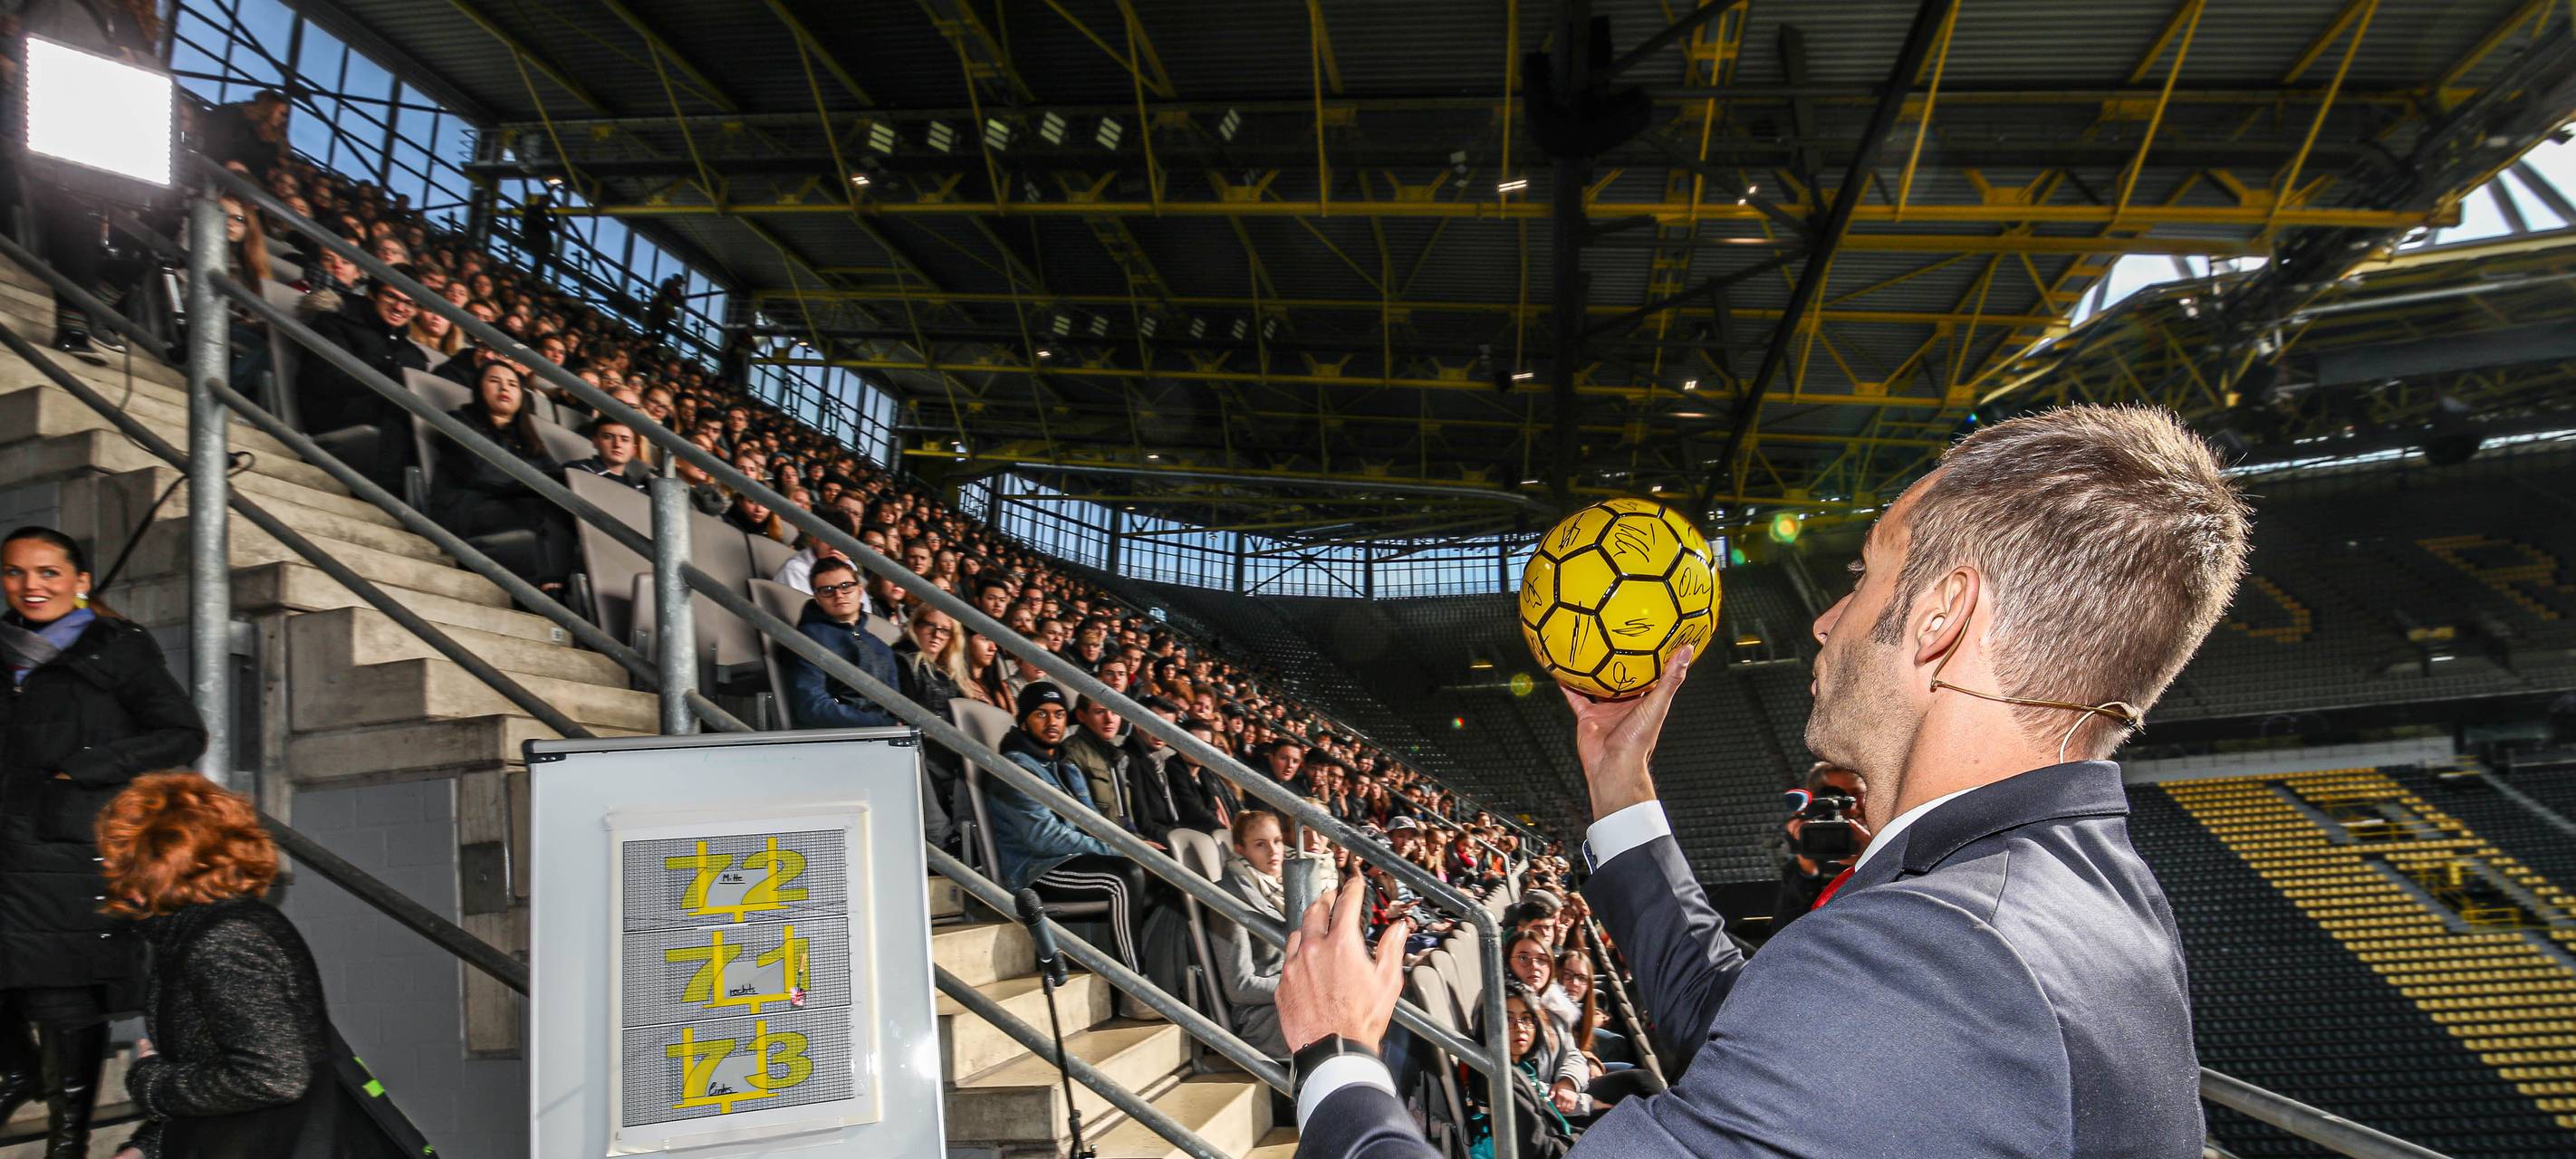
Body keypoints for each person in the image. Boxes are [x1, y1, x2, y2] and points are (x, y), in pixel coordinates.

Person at [1277, 405, 2248, 1159]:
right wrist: (1621, 787)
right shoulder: (2092, 899)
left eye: (1865, 574)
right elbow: (1751, 1035)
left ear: (1942, 614)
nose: (1827, 619)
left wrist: (1338, 1061)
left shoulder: (1946, 960)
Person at [0, 527, 207, 1157]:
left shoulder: (117, 647)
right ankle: (18, 1070)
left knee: (64, 993)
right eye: (15, 572)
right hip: (6, 841)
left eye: (48, 572)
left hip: (69, 848)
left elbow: (182, 733)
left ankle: (67, 1143)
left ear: (81, 581)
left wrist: (86, 767)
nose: (30, 585)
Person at [99, 772, 405, 1158]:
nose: (109, 869)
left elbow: (276, 1077)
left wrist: (154, 1084)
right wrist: (148, 1147)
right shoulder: (202, 930)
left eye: (120, 857)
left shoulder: (224, 940)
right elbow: (220, 1068)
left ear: (159, 864)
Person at [988, 684, 1157, 993]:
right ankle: (1136, 987)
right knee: (1123, 877)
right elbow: (1043, 838)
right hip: (1036, 870)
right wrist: (1119, 852)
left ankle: (1171, 980)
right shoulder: (1014, 767)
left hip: (1073, 862)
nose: (1052, 722)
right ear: (1023, 722)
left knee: (1164, 873)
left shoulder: (1066, 767)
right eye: (1041, 714)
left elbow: (1093, 824)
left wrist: (1134, 846)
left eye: (1058, 714)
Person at [428, 362, 575, 590]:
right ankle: (549, 588)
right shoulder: (459, 421)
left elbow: (555, 474)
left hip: (514, 510)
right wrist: (537, 484)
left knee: (566, 510)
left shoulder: (527, 438)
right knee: (545, 508)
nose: (504, 388)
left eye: (513, 384)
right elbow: (482, 473)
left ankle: (552, 587)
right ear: (479, 388)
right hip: (466, 509)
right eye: (494, 381)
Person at [296, 272, 428, 491]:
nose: (399, 307)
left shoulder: (413, 355)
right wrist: (389, 380)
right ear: (372, 294)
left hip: (383, 419)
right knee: (402, 409)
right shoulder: (336, 322)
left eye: (409, 303)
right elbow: (327, 381)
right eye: (391, 296)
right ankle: (387, 491)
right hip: (329, 410)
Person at [783, 558, 902, 730]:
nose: (839, 595)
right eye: (827, 590)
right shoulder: (807, 639)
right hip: (841, 736)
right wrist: (881, 724)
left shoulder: (881, 647)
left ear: (860, 590)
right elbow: (811, 707)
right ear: (817, 598)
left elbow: (896, 706)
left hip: (885, 732)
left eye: (846, 586)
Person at [1215, 811, 1294, 1057]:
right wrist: (1302, 986)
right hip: (1266, 1015)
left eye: (1277, 841)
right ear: (1240, 849)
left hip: (1297, 1001)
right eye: (1260, 844)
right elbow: (1239, 986)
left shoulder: (1283, 886)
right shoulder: (1229, 898)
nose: (1273, 851)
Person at [1769, 763, 1873, 932]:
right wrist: (1806, 870)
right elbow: (1785, 933)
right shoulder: (1801, 867)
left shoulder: (1895, 845)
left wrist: (1874, 856)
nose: (1851, 807)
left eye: (1856, 794)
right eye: (1835, 797)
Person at [1062, 694, 1130, 829]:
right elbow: (1084, 818)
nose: (1109, 719)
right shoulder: (1072, 753)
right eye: (1100, 712)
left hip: (1123, 835)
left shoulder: (1118, 754)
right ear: (1081, 716)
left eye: (1115, 712)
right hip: (1101, 837)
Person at [559, 417, 645, 491]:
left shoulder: (638, 489)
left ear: (633, 450)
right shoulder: (576, 471)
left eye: (625, 440)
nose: (617, 444)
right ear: (595, 441)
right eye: (608, 437)